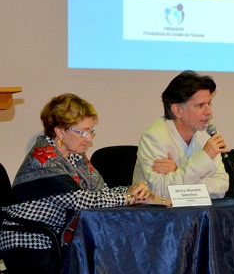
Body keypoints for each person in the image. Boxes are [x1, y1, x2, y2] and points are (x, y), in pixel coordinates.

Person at [0, 94, 167, 274]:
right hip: (30, 242)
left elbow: (101, 192)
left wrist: (135, 190)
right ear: (60, 131)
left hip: (57, 240)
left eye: (91, 131)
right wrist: (129, 196)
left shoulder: (76, 157)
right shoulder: (44, 159)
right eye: (83, 131)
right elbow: (81, 201)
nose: (89, 138)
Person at [132, 70, 230, 199]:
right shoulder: (153, 138)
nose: (209, 111)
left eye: (209, 103)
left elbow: (221, 187)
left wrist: (177, 170)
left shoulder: (205, 135)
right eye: (200, 105)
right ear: (177, 110)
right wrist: (204, 158)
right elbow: (159, 191)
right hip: (159, 216)